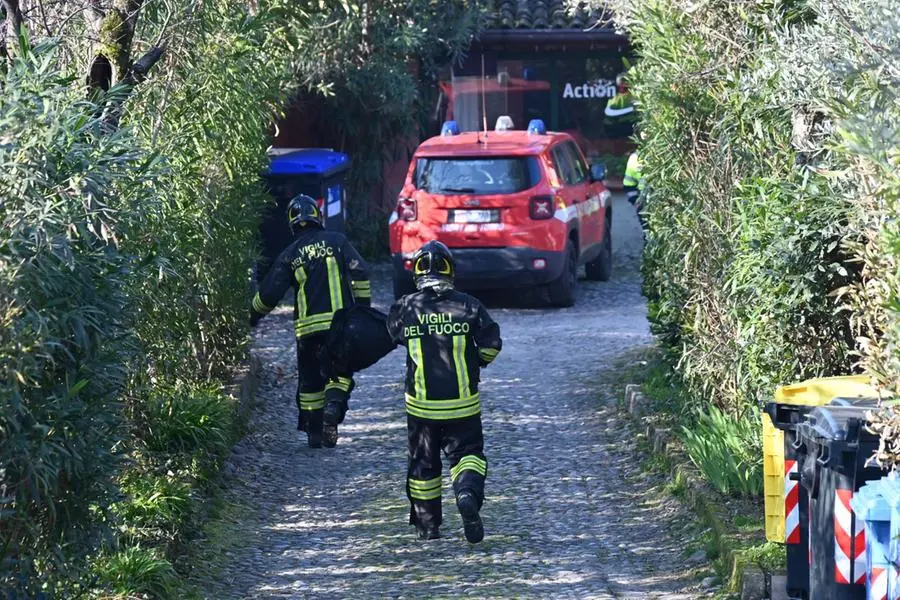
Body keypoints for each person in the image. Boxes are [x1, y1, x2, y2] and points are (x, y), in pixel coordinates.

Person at [386, 241, 502, 543]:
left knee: (423, 465)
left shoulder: (405, 307)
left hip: (421, 408)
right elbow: (491, 345)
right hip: (463, 404)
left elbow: (394, 333)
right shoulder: (470, 305)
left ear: (417, 272)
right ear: (451, 271)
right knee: (468, 455)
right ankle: (466, 493)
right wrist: (473, 363)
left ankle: (428, 526)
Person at [250, 194, 371, 448]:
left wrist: (251, 317)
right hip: (339, 327)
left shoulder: (289, 254)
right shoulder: (338, 242)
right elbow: (360, 270)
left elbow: (269, 293)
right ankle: (333, 408)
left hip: (308, 331)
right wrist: (362, 308)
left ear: (292, 222)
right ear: (318, 216)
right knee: (339, 372)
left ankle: (314, 430)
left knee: (310, 381)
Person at [623, 150, 647, 231]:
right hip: (643, 201)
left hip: (663, 201)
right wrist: (635, 201)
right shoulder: (634, 158)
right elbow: (628, 183)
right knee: (647, 230)